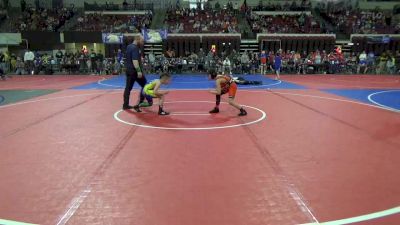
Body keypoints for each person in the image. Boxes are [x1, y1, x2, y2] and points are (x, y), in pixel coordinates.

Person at [122, 35, 147, 111]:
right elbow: (135, 61)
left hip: (128, 70)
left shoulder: (129, 47)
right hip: (134, 71)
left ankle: (125, 105)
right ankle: (140, 103)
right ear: (137, 39)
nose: (143, 43)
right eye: (142, 41)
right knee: (145, 85)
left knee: (128, 88)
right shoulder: (135, 48)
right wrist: (139, 71)